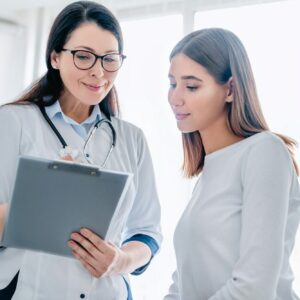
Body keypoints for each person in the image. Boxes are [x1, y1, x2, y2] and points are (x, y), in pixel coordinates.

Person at [0, 1, 162, 299]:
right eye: (84, 56)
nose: (99, 72)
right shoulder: (13, 122)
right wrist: (43, 195)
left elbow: (148, 233)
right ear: (55, 58)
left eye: (110, 59)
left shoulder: (132, 139)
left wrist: (120, 260)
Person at [164, 28, 300, 300]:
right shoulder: (208, 173)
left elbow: (254, 288)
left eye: (191, 86)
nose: (175, 97)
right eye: (172, 83)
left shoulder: (264, 152)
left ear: (230, 89)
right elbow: (183, 285)